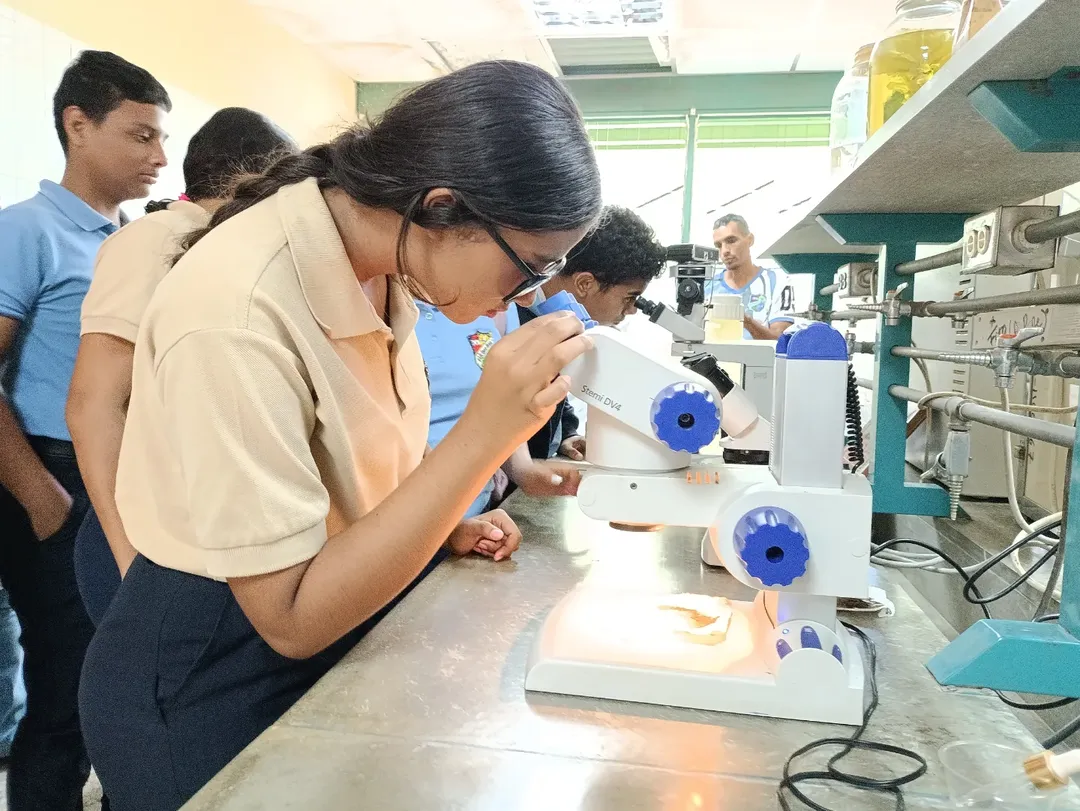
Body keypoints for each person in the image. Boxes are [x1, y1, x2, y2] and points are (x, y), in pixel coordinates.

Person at [79, 59, 601, 811]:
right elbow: (289, 616)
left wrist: (432, 528)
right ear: (441, 206)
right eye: (527, 269)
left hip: (323, 622)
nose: (515, 300)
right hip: (207, 677)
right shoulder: (239, 305)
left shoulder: (389, 266)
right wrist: (486, 434)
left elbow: (343, 470)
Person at [0, 50, 170, 810]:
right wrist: (43, 499)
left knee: (113, 692)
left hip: (122, 480)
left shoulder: (137, 240)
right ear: (78, 124)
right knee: (65, 701)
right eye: (140, 136)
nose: (159, 157)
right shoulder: (26, 231)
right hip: (53, 479)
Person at [67, 107, 297, 626]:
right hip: (138, 539)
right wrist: (131, 564)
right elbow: (93, 407)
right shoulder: (159, 236)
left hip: (194, 532)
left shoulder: (231, 245)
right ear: (256, 183)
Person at [517, 205, 667, 461]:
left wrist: (567, 435)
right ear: (585, 284)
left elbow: (556, 388)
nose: (631, 311)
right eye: (630, 298)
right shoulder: (509, 318)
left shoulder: (556, 319)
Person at [709, 213, 796, 340]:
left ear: (750, 240)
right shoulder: (707, 287)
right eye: (718, 246)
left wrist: (745, 320)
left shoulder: (778, 282)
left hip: (759, 359)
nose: (724, 251)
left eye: (731, 241)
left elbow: (780, 341)